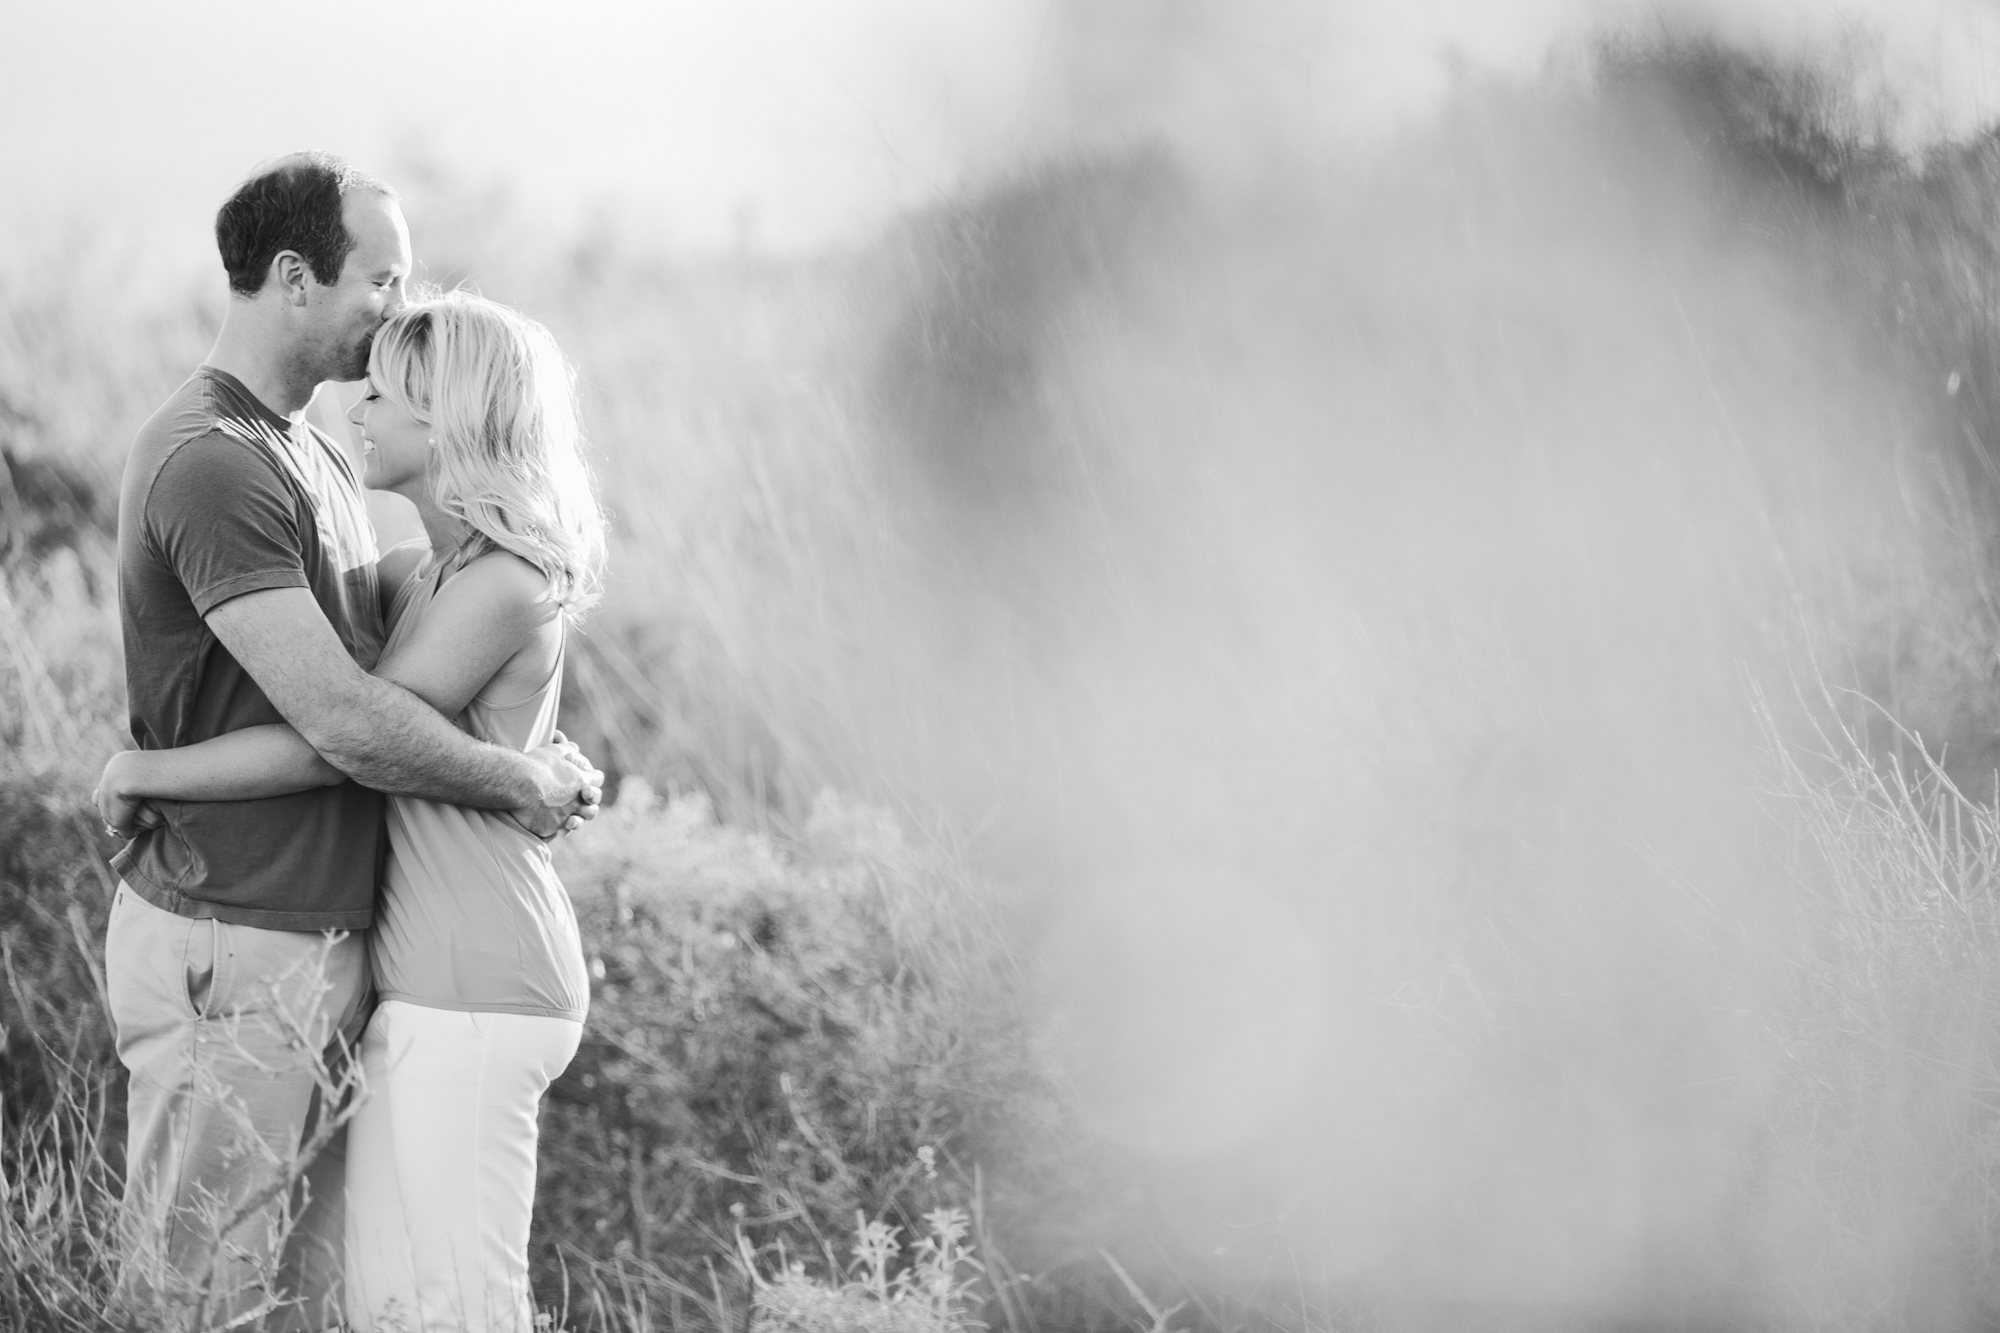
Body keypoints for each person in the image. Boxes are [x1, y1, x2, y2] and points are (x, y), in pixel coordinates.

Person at [93, 154, 602, 1333]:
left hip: (336, 940)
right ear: (292, 278)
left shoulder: (317, 455)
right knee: (198, 1291)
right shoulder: (213, 460)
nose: (394, 311)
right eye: (383, 278)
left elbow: (412, 674)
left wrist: (527, 741)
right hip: (236, 927)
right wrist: (517, 774)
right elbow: (347, 724)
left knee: (320, 1300)